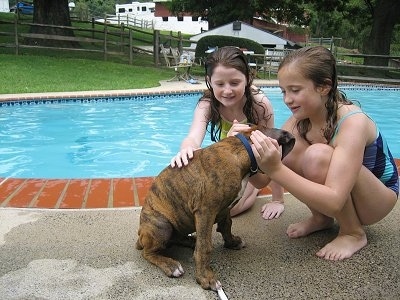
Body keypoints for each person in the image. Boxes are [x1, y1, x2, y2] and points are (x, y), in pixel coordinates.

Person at [249, 46, 399, 260]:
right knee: (290, 149)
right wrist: (246, 145)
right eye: (284, 91)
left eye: (295, 90)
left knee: (317, 156)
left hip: (377, 200)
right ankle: (321, 219)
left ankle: (352, 232)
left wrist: (276, 168)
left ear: (324, 87)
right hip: (340, 197)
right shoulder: (298, 121)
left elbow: (335, 201)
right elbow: (261, 179)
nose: (287, 99)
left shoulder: (352, 121)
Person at [170, 46, 285, 219]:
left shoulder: (259, 105)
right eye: (220, 84)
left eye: (235, 83)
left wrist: (278, 200)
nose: (227, 90)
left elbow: (273, 151)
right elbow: (193, 138)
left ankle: (252, 192)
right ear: (209, 81)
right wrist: (186, 149)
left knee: (226, 212)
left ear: (247, 78)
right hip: (228, 165)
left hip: (253, 169)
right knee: (202, 207)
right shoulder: (207, 104)